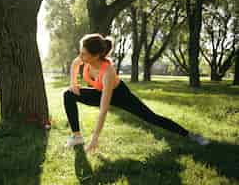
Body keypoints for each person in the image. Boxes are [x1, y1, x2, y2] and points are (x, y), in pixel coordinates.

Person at [63, 33, 209, 152]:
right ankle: (77, 137)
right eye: (81, 53)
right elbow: (75, 65)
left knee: (151, 118)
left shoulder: (108, 72)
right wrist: (73, 83)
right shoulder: (85, 58)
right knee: (68, 94)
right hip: (99, 92)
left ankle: (191, 135)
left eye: (83, 54)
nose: (80, 57)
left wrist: (95, 138)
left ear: (95, 56)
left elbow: (104, 109)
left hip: (121, 96)